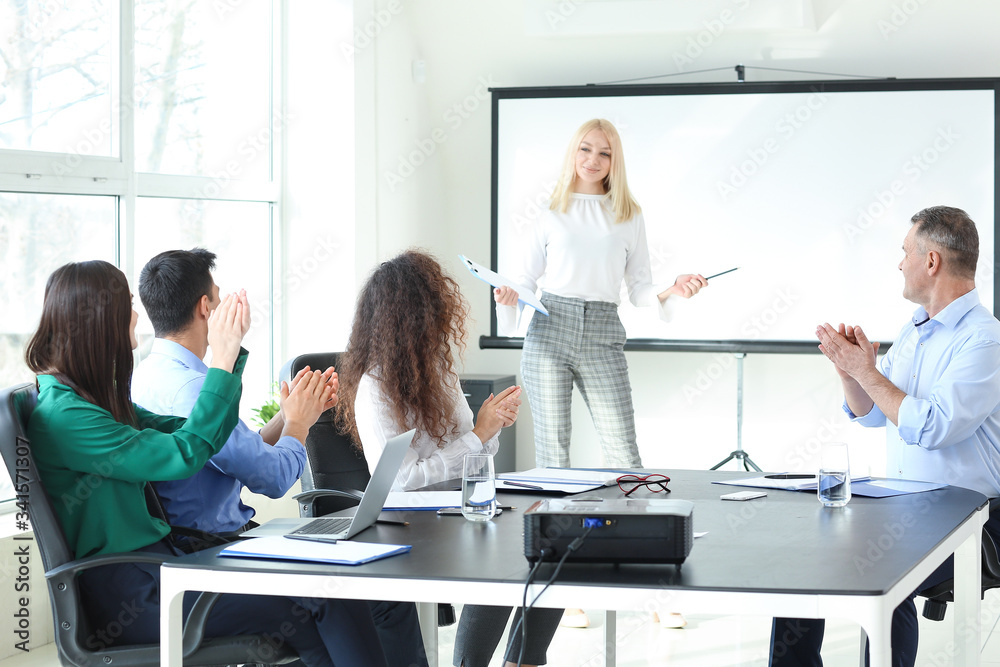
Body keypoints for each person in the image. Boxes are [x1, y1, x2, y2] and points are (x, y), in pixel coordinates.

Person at [25, 260, 387, 666]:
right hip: (135, 595)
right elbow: (185, 453)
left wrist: (279, 407)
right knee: (323, 601)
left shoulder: (95, 399)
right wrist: (224, 357)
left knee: (325, 601)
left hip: (160, 569)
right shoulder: (69, 417)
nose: (136, 314)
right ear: (98, 318)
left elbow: (194, 434)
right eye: (127, 303)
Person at [131, 248, 427, 667]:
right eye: (218, 297)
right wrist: (299, 427)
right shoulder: (194, 388)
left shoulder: (148, 376)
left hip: (201, 540)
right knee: (357, 592)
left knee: (373, 594)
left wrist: (289, 418)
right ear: (205, 308)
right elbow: (271, 478)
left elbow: (229, 450)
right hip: (213, 547)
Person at [770, 206, 1000, 667]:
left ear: (930, 261)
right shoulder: (915, 330)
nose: (899, 263)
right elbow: (876, 414)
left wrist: (867, 373)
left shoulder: (984, 340)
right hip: (906, 505)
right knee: (801, 556)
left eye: (904, 252)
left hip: (970, 517)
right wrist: (851, 374)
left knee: (884, 571)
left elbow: (933, 427)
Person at [335, 250, 559, 667]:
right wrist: (478, 434)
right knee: (502, 556)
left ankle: (521, 662)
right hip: (406, 518)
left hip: (452, 506)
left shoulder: (437, 367)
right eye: (433, 314)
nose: (441, 324)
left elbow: (475, 450)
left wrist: (488, 429)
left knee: (552, 541)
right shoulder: (375, 386)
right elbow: (401, 482)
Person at [494, 118, 707, 471]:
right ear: (573, 152)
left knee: (624, 453)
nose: (593, 159)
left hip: (603, 331)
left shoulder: (628, 214)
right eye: (585, 149)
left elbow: (639, 289)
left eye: (604, 153)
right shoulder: (551, 210)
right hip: (550, 329)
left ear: (614, 161)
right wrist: (510, 297)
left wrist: (672, 289)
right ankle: (553, 526)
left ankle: (633, 525)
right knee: (553, 455)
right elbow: (526, 279)